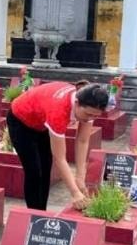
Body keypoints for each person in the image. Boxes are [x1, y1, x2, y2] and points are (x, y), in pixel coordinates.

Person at [6, 81, 109, 210]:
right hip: (20, 120)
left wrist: (80, 177)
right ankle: (34, 214)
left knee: (45, 168)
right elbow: (60, 158)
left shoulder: (91, 106)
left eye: (95, 116)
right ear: (77, 103)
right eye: (88, 114)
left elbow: (82, 141)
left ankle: (41, 211)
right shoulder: (59, 110)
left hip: (41, 121)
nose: (90, 118)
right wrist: (75, 193)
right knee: (34, 171)